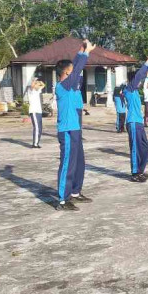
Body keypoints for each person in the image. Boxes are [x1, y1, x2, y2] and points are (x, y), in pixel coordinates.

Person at [55, 40, 96, 211]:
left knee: (79, 162)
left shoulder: (71, 88)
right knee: (68, 164)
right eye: (71, 72)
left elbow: (76, 68)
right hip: (67, 130)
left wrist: (81, 51)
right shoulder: (62, 86)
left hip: (76, 129)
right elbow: (77, 70)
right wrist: (86, 54)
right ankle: (62, 200)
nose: (76, 76)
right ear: (66, 73)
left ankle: (75, 192)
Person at [124, 55, 148, 182]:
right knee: (136, 149)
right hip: (132, 122)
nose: (140, 82)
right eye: (139, 80)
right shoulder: (129, 89)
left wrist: (147, 71)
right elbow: (139, 76)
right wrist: (147, 61)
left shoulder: (135, 91)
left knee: (145, 148)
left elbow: (141, 76)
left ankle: (140, 170)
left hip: (138, 122)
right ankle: (135, 173)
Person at [28, 77, 45, 148]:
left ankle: (37, 143)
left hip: (39, 111)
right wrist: (34, 81)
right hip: (34, 111)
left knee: (40, 128)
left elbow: (43, 85)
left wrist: (39, 82)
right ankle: (34, 144)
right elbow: (32, 86)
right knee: (37, 128)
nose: (38, 86)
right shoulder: (31, 91)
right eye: (37, 85)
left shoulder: (38, 91)